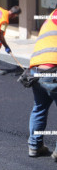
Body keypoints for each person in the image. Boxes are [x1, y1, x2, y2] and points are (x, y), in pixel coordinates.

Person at [27, 9, 57, 160]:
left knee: (39, 108)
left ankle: (35, 146)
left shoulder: (50, 18)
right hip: (53, 68)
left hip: (37, 69)